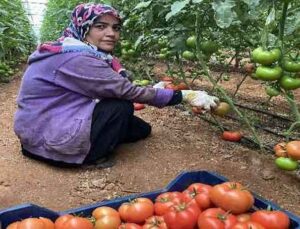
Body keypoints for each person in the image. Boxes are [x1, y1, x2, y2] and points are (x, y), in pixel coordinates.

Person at [14, 3, 219, 169]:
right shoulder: (76, 58)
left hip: (51, 121)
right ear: (83, 28)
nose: (111, 33)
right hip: (47, 139)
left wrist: (155, 90)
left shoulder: (72, 49)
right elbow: (125, 91)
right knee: (121, 106)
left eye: (115, 27)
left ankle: (92, 140)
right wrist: (183, 96)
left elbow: (112, 82)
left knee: (141, 129)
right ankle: (87, 157)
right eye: (100, 26)